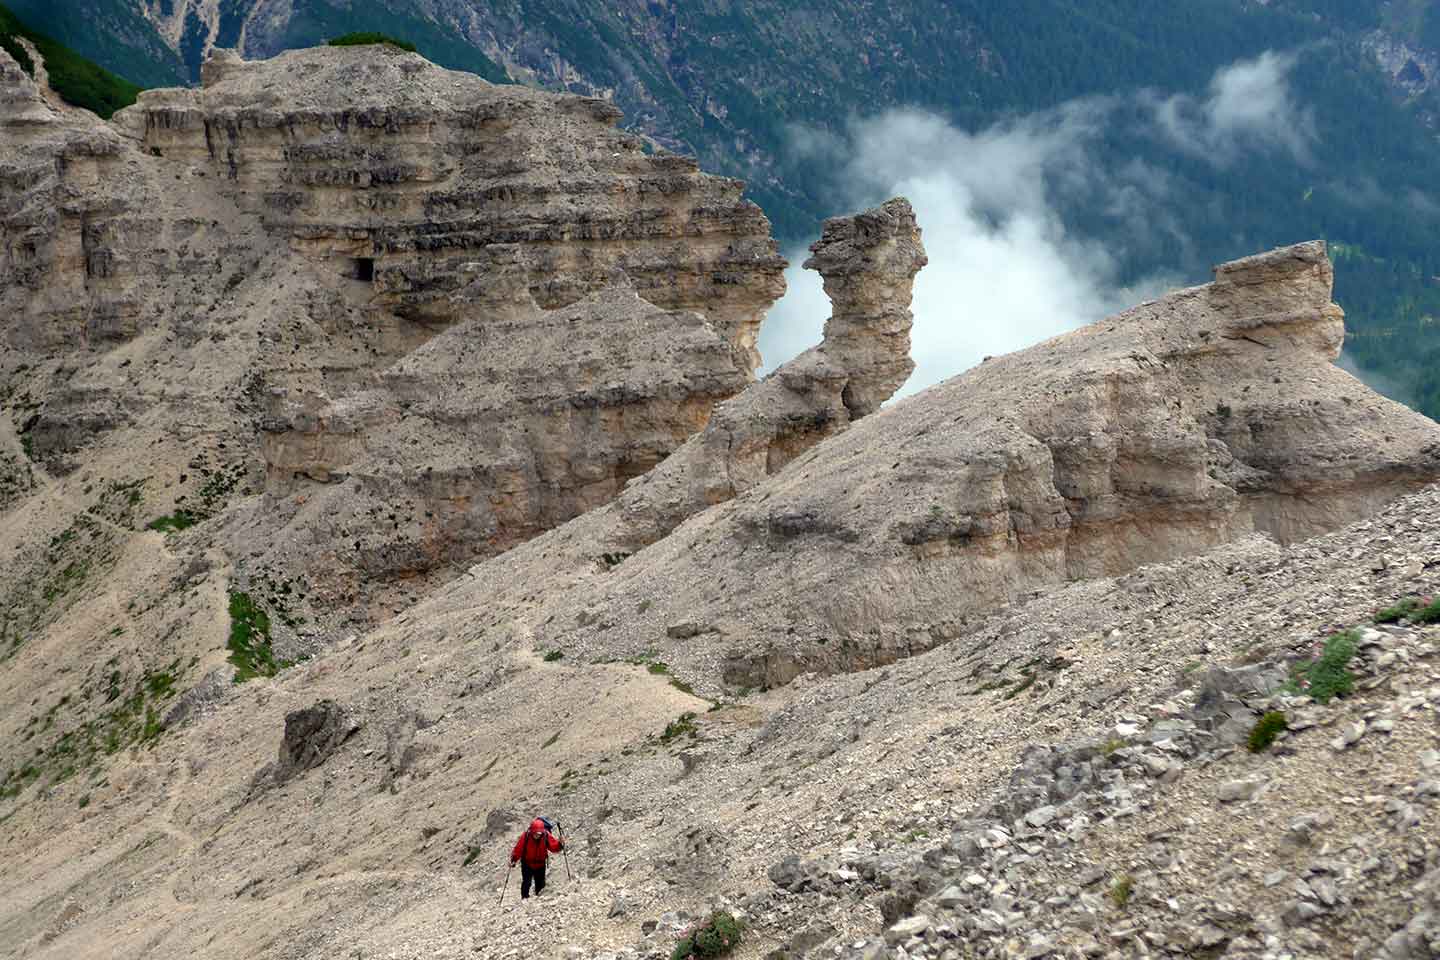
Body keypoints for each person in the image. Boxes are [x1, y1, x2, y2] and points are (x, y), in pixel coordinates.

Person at [510, 817, 563, 899]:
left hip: (540, 864)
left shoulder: (545, 835)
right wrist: (513, 860)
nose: (537, 835)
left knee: (540, 884)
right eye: (535, 833)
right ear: (532, 831)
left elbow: (553, 847)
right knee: (526, 882)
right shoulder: (526, 836)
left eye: (539, 834)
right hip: (527, 864)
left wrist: (560, 844)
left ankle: (538, 901)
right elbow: (518, 849)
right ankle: (524, 899)